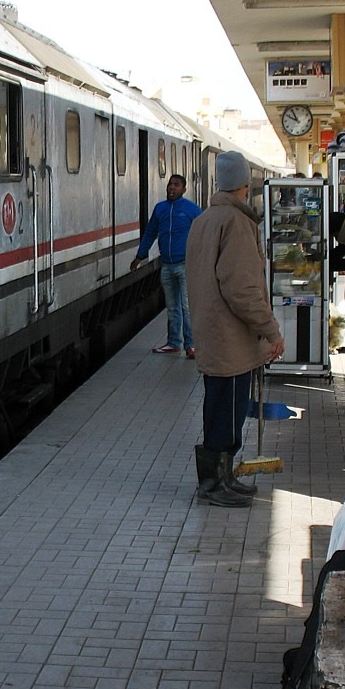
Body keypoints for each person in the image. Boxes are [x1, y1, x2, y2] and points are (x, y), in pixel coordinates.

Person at [186, 151, 285, 507]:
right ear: (246, 184)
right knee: (226, 416)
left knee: (219, 411)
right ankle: (213, 484)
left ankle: (222, 478)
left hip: (214, 333)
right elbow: (242, 290)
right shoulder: (237, 224)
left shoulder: (205, 219)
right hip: (231, 340)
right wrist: (271, 330)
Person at [131, 174, 201, 357]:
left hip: (185, 264)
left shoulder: (192, 210)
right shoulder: (160, 209)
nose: (171, 188)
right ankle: (173, 343)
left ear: (184, 189)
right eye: (170, 184)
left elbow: (204, 234)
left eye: (176, 185)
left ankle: (191, 344)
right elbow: (150, 233)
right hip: (167, 265)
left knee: (187, 306)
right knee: (172, 307)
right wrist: (139, 256)